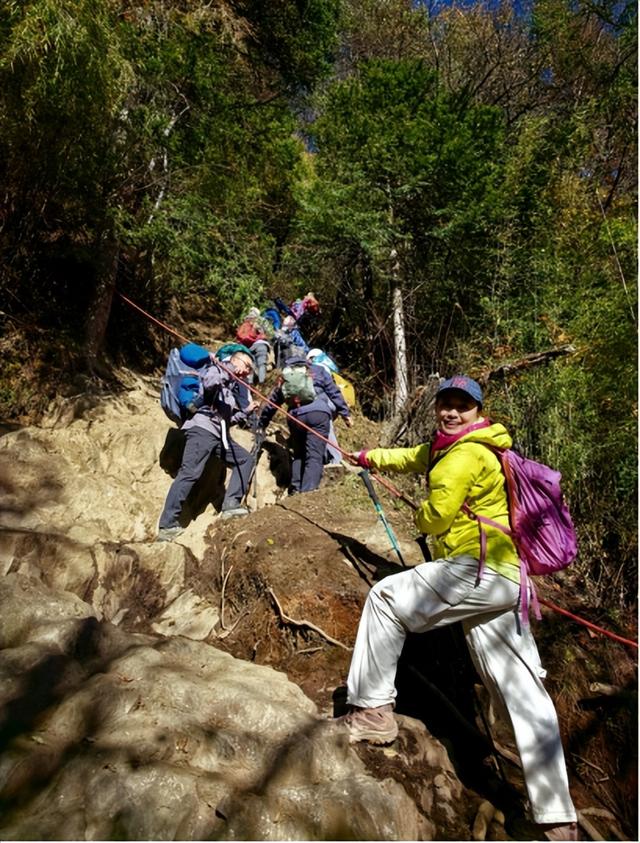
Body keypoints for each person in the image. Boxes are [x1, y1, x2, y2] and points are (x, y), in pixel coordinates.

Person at [336, 375, 578, 841]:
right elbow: (410, 457)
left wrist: (422, 515)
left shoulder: (462, 455)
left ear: (477, 411)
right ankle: (557, 818)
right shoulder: (458, 447)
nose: (451, 412)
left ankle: (371, 712)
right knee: (524, 695)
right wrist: (366, 457)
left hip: (479, 570)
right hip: (507, 579)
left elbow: (436, 515)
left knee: (386, 598)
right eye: (445, 404)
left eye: (461, 406)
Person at [156, 350, 259, 540]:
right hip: (202, 430)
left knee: (245, 460)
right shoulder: (216, 369)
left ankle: (231, 505)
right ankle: (166, 525)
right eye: (247, 366)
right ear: (237, 361)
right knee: (189, 473)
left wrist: (246, 411)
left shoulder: (230, 387)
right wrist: (228, 370)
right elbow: (209, 384)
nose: (248, 372)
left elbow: (227, 419)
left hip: (218, 435)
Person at [258, 354, 352, 494]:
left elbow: (273, 402)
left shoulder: (286, 376)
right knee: (314, 455)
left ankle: (295, 488)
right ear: (307, 362)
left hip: (295, 417)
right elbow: (334, 392)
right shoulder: (318, 370)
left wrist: (262, 423)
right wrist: (345, 413)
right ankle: (308, 491)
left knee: (299, 454)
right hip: (318, 414)